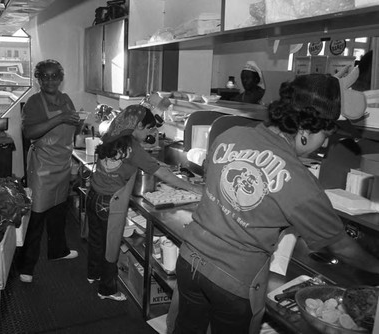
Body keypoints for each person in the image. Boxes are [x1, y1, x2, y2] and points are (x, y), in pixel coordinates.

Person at [173, 73, 379, 334]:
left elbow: (214, 185)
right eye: (325, 134)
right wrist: (376, 266)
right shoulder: (300, 182)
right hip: (233, 282)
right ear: (305, 129)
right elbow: (340, 246)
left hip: (189, 259)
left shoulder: (230, 134)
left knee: (187, 328)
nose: (325, 143)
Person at [86, 104, 202, 301]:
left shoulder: (112, 136)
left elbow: (140, 159)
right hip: (110, 204)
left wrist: (152, 159)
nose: (151, 133)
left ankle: (93, 274)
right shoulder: (133, 148)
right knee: (111, 247)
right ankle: (106, 290)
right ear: (138, 126)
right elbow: (162, 173)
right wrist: (191, 187)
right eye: (149, 129)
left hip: (94, 196)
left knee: (97, 240)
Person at [18, 59, 81, 283]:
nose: (50, 80)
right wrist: (61, 118)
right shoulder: (33, 102)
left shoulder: (66, 99)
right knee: (36, 215)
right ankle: (26, 266)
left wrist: (76, 121)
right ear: (38, 79)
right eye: (45, 76)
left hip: (62, 163)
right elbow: (30, 133)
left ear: (61, 78)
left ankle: (58, 250)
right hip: (43, 166)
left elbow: (72, 126)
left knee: (58, 211)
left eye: (55, 76)